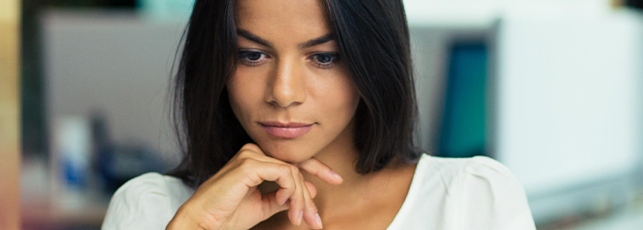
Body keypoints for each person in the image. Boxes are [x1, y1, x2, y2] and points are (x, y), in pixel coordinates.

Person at [101, 0, 535, 229]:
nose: (283, 93)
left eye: (323, 58)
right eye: (252, 55)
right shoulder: (152, 212)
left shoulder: (470, 204)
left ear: (373, 61)